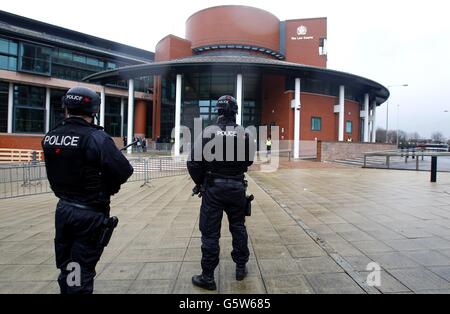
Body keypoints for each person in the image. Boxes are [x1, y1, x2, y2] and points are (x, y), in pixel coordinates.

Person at [41, 86, 133, 294]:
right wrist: (108, 184)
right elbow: (124, 170)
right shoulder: (96, 138)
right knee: (80, 271)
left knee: (68, 265)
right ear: (94, 110)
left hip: (64, 210)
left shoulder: (51, 135)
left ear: (66, 107)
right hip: (89, 213)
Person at [187, 95, 255, 291]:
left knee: (210, 234)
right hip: (236, 188)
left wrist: (200, 183)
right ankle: (240, 267)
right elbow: (249, 161)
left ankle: (208, 277)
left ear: (218, 111)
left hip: (213, 189)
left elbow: (192, 162)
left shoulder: (208, 132)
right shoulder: (244, 133)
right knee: (238, 227)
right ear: (235, 112)